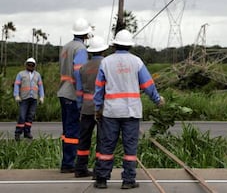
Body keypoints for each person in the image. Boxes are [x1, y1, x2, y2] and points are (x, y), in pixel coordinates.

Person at [93, 29, 165, 189]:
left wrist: (98, 108)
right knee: (130, 147)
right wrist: (157, 99)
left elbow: (99, 88)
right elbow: (147, 85)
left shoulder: (106, 62)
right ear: (130, 46)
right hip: (131, 111)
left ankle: (102, 179)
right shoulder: (137, 62)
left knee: (106, 146)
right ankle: (128, 180)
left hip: (111, 111)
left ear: (115, 44)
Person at [57, 18, 92, 173]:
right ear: (86, 33)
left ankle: (67, 161)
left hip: (63, 92)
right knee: (73, 130)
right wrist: (80, 96)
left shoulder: (65, 47)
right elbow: (79, 72)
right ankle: (69, 164)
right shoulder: (81, 49)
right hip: (72, 94)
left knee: (67, 130)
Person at [74, 36, 109, 178]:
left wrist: (79, 106)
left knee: (84, 139)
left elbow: (79, 91)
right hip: (102, 108)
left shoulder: (83, 68)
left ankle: (80, 168)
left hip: (86, 108)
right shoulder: (106, 65)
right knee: (102, 140)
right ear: (103, 51)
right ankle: (99, 171)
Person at [13, 57, 45, 141]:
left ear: (34, 66)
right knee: (22, 116)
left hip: (34, 98)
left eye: (32, 65)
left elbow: (41, 86)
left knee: (30, 116)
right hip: (24, 98)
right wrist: (16, 95)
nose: (30, 66)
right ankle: (18, 133)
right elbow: (16, 85)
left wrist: (42, 96)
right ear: (26, 65)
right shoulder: (21, 74)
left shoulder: (37, 75)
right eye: (29, 64)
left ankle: (27, 132)